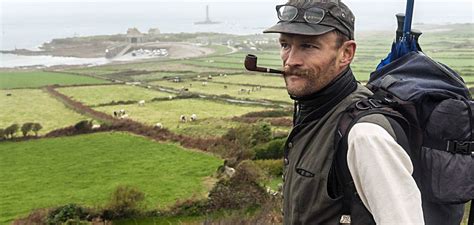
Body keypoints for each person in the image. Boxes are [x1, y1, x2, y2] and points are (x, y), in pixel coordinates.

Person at [263, 0, 425, 224]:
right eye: (285, 45)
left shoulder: (365, 136)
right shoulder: (314, 113)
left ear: (346, 53)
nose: (290, 61)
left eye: (308, 46)